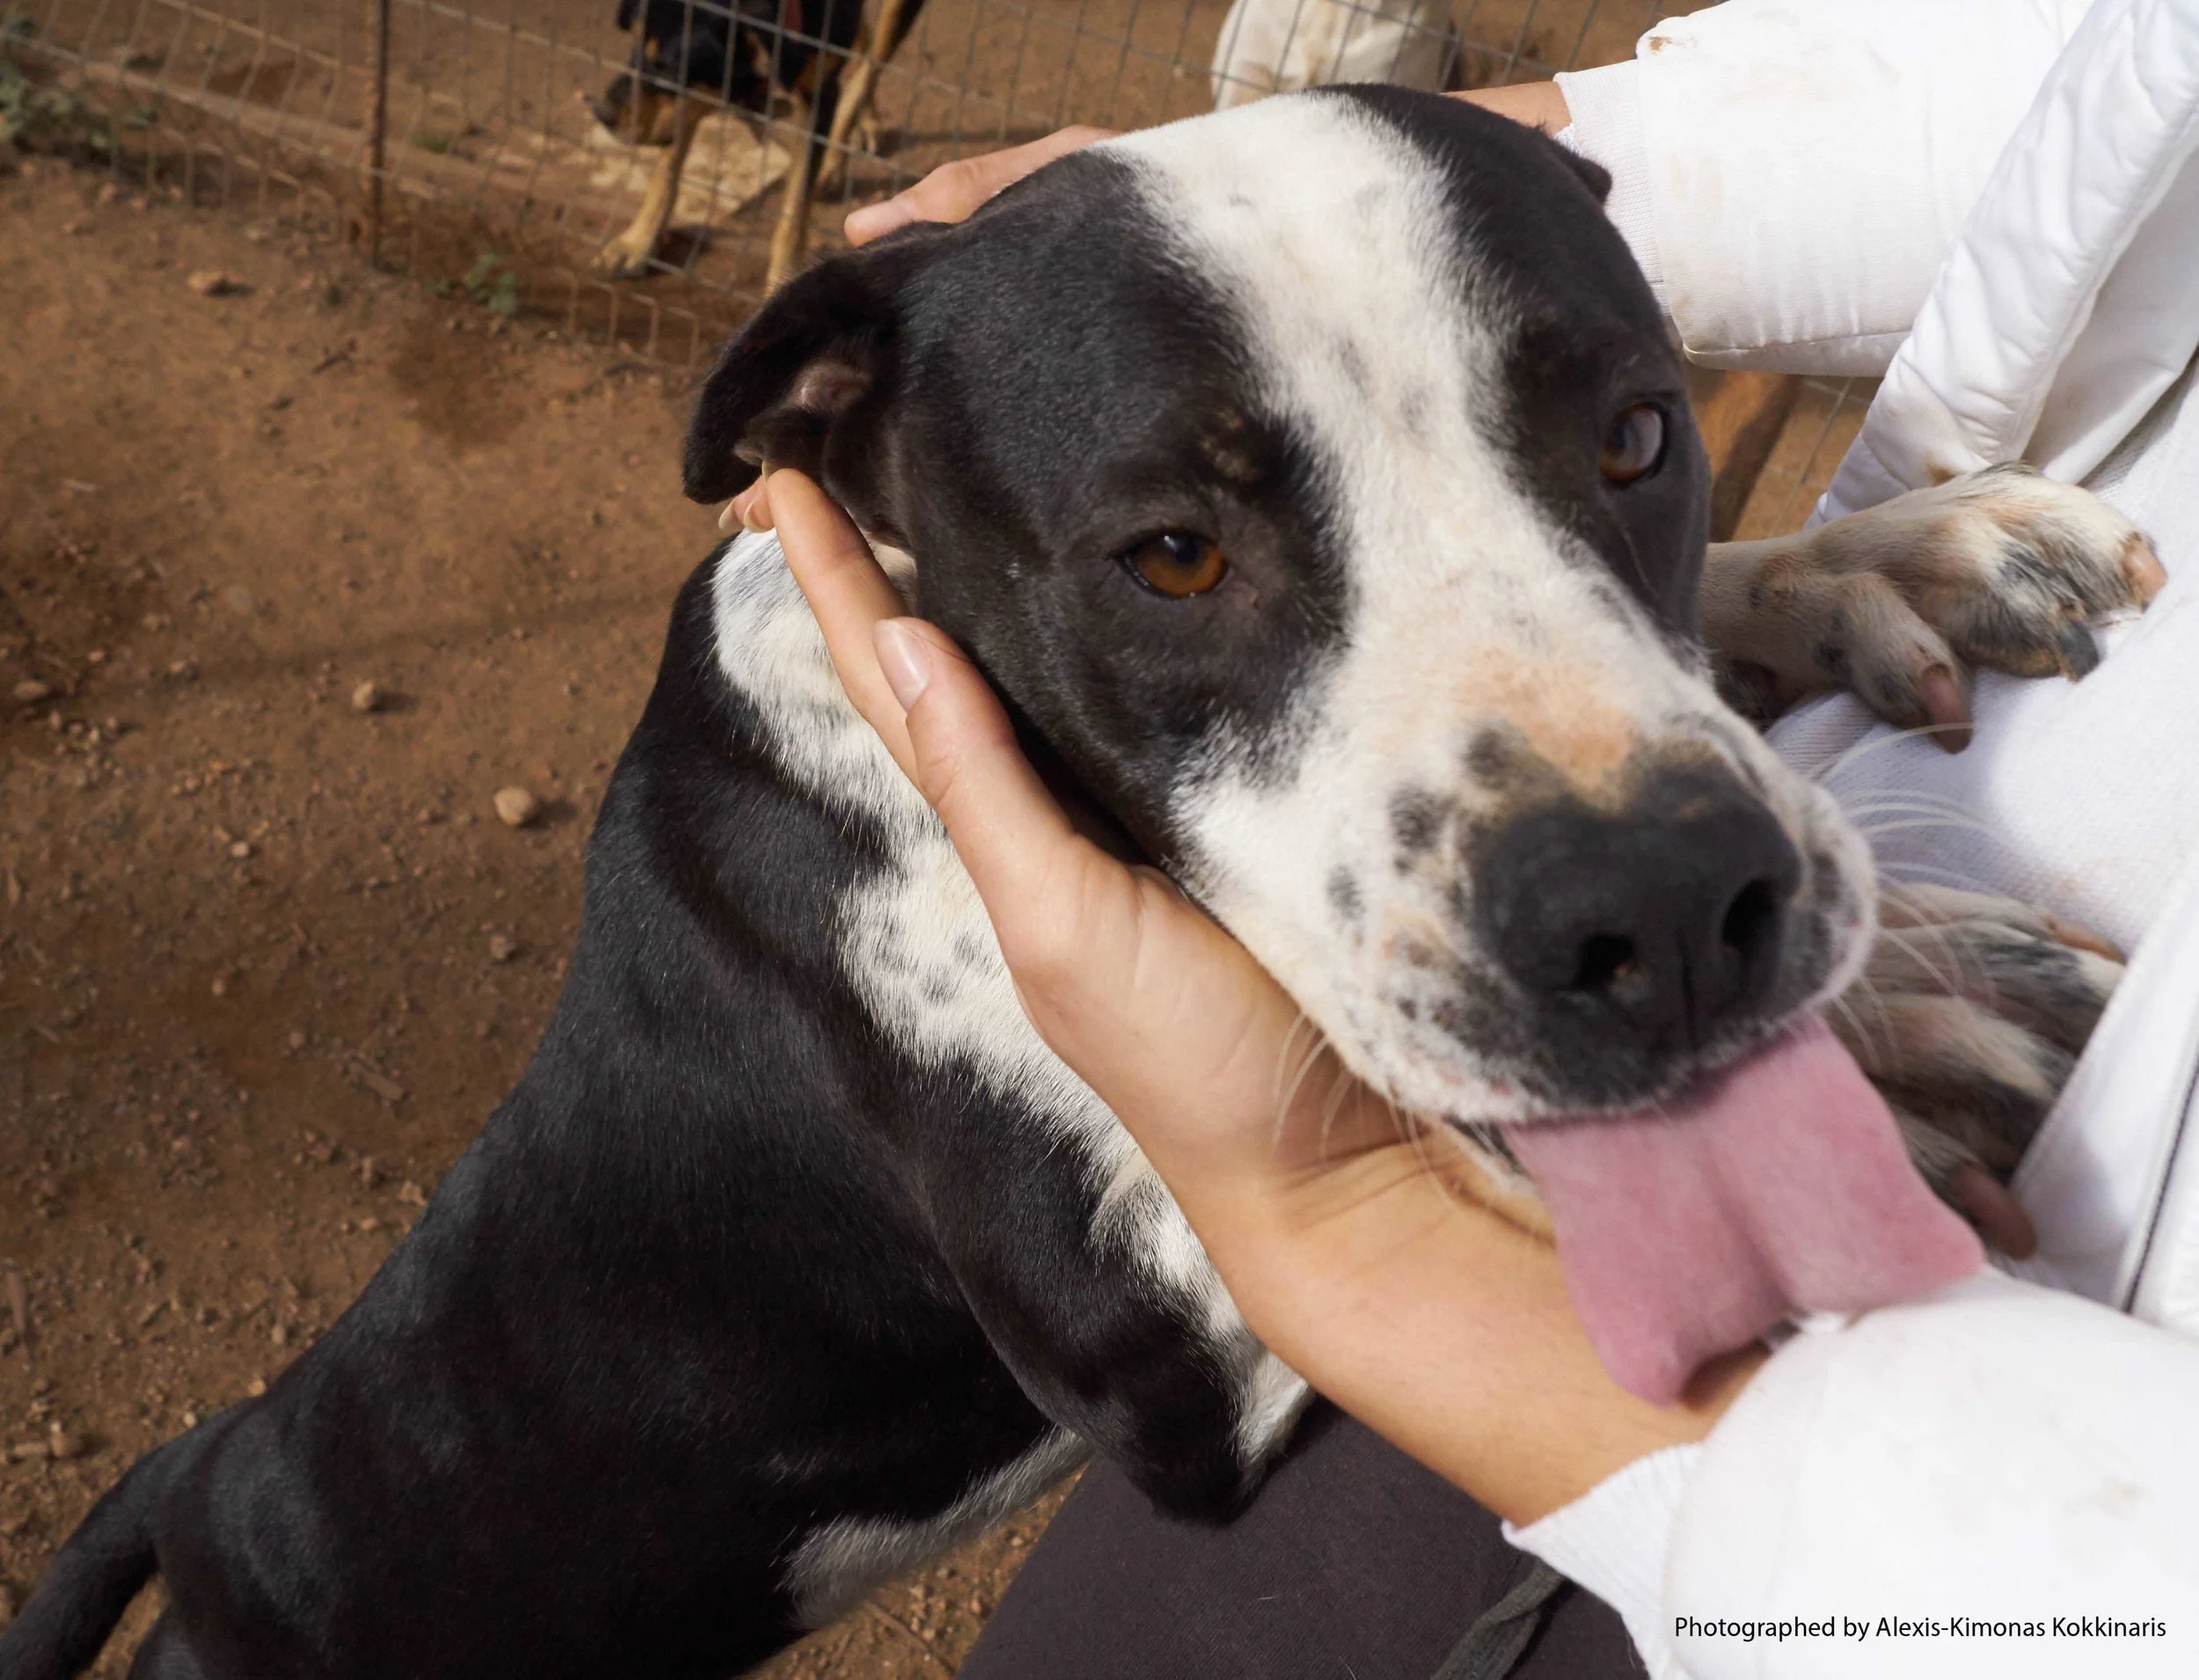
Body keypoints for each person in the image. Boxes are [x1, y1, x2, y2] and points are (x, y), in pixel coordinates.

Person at [734, 1, 2199, 1672]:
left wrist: (1357, 1211)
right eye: (1181, 557)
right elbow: (2135, 86)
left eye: (1626, 444)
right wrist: (1300, 197)